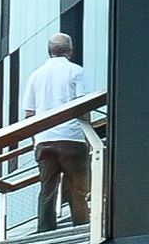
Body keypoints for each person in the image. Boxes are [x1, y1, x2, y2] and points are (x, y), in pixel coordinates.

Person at [24, 31, 96, 227]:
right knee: (78, 188)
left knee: (47, 190)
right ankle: (81, 226)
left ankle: (44, 230)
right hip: (71, 138)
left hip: (44, 139)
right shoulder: (76, 71)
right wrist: (89, 138)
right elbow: (84, 107)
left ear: (49, 51)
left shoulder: (35, 75)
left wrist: (35, 141)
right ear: (70, 51)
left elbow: (29, 113)